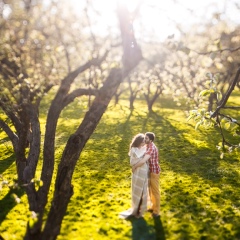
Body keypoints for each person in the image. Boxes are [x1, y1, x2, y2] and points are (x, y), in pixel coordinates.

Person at [119, 133, 149, 219]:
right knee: (136, 189)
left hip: (143, 170)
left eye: (144, 141)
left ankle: (141, 210)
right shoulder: (134, 149)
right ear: (138, 141)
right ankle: (135, 209)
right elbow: (133, 160)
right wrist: (136, 165)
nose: (144, 143)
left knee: (143, 189)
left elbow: (143, 161)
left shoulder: (145, 148)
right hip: (136, 171)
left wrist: (136, 165)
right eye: (142, 141)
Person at [132, 132, 160, 217]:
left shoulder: (151, 148)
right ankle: (152, 206)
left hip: (154, 172)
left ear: (150, 140)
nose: (145, 139)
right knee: (150, 190)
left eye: (146, 138)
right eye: (145, 137)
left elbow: (144, 160)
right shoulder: (148, 145)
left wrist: (135, 166)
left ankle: (156, 211)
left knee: (155, 191)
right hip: (150, 171)